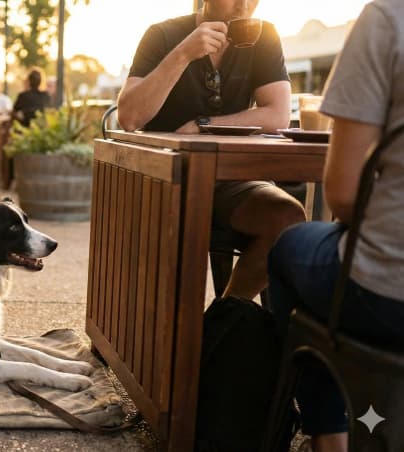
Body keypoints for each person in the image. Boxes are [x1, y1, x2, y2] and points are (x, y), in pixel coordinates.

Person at [267, 2, 404, 451]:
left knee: (289, 245)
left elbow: (343, 194)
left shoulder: (387, 18)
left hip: (386, 294)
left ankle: (331, 438)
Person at [116, 0, 305, 300]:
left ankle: (222, 321)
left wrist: (202, 124)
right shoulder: (163, 35)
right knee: (185, 229)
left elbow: (277, 114)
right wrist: (183, 54)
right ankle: (181, 335)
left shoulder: (263, 35)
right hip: (164, 181)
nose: (244, 4)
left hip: (232, 180)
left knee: (287, 217)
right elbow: (129, 116)